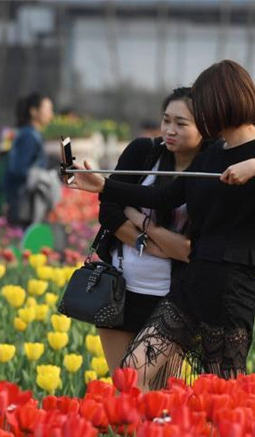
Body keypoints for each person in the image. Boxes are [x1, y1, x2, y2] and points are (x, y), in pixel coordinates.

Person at [68, 60, 255, 390]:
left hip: (233, 283)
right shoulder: (214, 152)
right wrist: (104, 186)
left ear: (220, 102)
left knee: (223, 392)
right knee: (132, 378)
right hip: (192, 283)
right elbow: (167, 196)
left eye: (201, 104)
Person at [95, 87, 205, 370]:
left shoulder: (208, 172)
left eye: (181, 124)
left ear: (205, 127)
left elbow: (190, 250)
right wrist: (149, 242)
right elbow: (108, 210)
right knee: (124, 386)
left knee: (158, 392)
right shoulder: (144, 153)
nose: (170, 130)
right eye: (166, 120)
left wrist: (138, 219)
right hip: (121, 289)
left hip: (173, 299)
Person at [2, 92, 54, 226]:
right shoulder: (28, 136)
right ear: (34, 111)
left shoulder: (33, 134)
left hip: (28, 203)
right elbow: (19, 169)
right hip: (23, 203)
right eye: (47, 110)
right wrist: (40, 177)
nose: (51, 115)